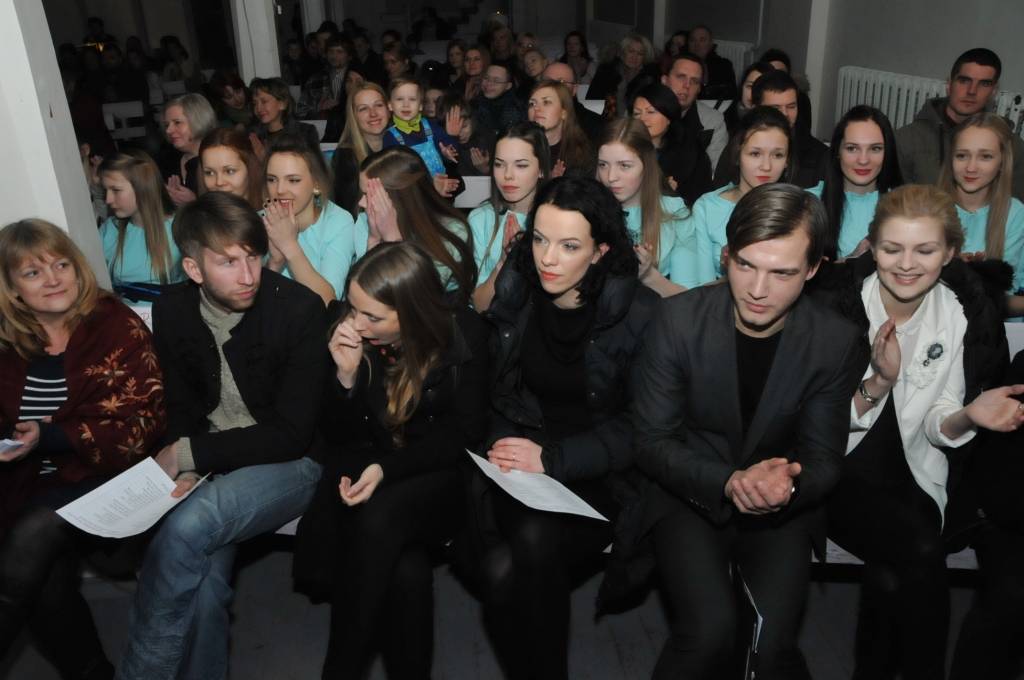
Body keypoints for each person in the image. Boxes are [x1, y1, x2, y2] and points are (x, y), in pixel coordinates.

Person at [611, 182, 862, 680]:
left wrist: (788, 484)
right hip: (689, 492)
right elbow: (652, 441)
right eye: (745, 264)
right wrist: (729, 482)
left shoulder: (835, 340)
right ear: (726, 255)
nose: (758, 289)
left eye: (782, 272)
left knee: (770, 648)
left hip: (781, 503)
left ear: (813, 269)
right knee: (708, 634)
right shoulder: (677, 320)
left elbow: (824, 456)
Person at [116, 191, 327, 680]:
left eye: (253, 256)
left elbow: (292, 435)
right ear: (193, 269)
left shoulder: (297, 309)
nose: (249, 275)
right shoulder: (173, 309)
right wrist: (189, 464)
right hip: (215, 461)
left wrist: (188, 453)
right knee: (204, 584)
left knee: (190, 525)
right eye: (228, 262)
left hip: (293, 463)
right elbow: (182, 404)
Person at [814, 184, 1018, 680]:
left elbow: (938, 421)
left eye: (925, 250)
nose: (906, 265)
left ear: (949, 253)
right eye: (892, 249)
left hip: (917, 472)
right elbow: (814, 423)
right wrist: (879, 382)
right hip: (835, 470)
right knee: (920, 551)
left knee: (891, 575)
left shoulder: (958, 312)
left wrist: (970, 415)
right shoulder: (835, 307)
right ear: (871, 247)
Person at [465, 176, 658, 680]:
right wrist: (504, 443)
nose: (548, 258)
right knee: (505, 566)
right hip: (525, 467)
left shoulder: (639, 315)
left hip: (604, 476)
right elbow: (499, 391)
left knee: (512, 563)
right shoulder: (518, 293)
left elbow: (644, 429)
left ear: (600, 252)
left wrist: (551, 460)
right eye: (540, 239)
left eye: (569, 246)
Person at [294, 242, 489, 679]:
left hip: (441, 478)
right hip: (372, 470)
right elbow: (338, 438)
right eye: (353, 308)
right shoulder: (353, 335)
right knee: (406, 571)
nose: (356, 323)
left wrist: (387, 469)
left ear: (411, 313)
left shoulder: (464, 333)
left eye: (372, 317)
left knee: (380, 516)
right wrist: (345, 379)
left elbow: (463, 436)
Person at [0, 219, 164, 680]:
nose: (53, 279)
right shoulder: (7, 343)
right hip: (26, 481)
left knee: (33, 532)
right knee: (43, 576)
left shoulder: (114, 326)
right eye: (33, 273)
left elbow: (141, 427)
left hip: (112, 477)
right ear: (13, 290)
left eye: (61, 265)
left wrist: (49, 436)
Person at [897, 48, 1024, 201]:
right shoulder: (906, 139)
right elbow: (894, 203)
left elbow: (1015, 205)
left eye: (984, 84)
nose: (972, 91)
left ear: (993, 91)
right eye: (964, 81)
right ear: (949, 84)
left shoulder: (1012, 146)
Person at [356, 146, 476, 301]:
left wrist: (392, 239)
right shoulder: (365, 222)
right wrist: (373, 240)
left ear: (397, 197)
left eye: (368, 195)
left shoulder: (452, 231)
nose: (361, 203)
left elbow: (417, 301)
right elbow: (361, 295)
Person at [693, 106, 792, 285]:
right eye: (755, 154)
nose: (766, 166)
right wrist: (731, 270)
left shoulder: (798, 211)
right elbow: (701, 289)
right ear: (738, 154)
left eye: (777, 155)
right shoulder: (707, 208)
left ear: (787, 161)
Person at [597, 117, 697, 294]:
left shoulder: (674, 212)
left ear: (647, 165)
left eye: (624, 166)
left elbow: (689, 297)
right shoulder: (586, 210)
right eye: (603, 165)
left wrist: (649, 275)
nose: (611, 177)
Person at [938, 112, 1024, 314]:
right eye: (962, 155)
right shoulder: (928, 207)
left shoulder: (1015, 214)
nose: (971, 167)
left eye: (985, 156)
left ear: (1002, 162)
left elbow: (1006, 296)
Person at [264, 135, 357, 304]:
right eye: (272, 179)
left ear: (316, 182)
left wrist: (289, 246)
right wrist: (274, 264)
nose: (280, 190)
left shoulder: (338, 222)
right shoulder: (259, 220)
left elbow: (329, 302)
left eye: (293, 180)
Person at [468, 122, 549, 311]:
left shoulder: (559, 219)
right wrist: (505, 261)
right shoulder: (481, 219)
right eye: (499, 164)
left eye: (521, 165)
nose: (508, 175)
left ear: (541, 169)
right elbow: (480, 305)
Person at [813, 105, 903, 260]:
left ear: (887, 153)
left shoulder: (905, 206)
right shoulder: (806, 203)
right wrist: (852, 261)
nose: (863, 160)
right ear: (838, 152)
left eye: (875, 149)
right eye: (852, 148)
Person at [98, 151, 183, 294]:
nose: (108, 199)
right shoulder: (109, 230)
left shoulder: (181, 227)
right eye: (105, 190)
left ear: (143, 187)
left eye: (116, 190)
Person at [631, 81, 712, 207]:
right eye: (637, 113)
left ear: (669, 116)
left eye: (651, 112)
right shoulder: (624, 148)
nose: (642, 119)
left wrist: (670, 195)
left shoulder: (691, 152)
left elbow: (700, 200)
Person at [381, 78, 461, 197]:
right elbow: (394, 174)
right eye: (400, 99)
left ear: (421, 106)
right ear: (390, 105)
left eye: (412, 99)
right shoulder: (390, 137)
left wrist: (447, 152)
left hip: (442, 190)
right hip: (414, 195)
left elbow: (451, 148)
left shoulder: (431, 126)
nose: (406, 104)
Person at [748, 70, 827, 188]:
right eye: (776, 108)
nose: (785, 114)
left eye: (791, 107)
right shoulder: (741, 146)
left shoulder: (819, 156)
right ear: (756, 109)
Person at [661, 53, 730, 171]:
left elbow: (715, 171)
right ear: (665, 80)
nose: (687, 85)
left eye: (694, 81)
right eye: (681, 77)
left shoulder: (713, 121)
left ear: (699, 89)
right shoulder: (644, 111)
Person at [332, 83, 388, 217]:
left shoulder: (401, 145)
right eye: (363, 109)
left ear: (389, 108)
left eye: (378, 105)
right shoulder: (345, 157)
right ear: (354, 116)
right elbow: (347, 211)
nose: (373, 113)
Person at [527, 80, 594, 178]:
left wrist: (557, 183)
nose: (536, 108)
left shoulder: (580, 154)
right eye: (532, 104)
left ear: (564, 113)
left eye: (546, 102)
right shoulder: (519, 147)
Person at [161, 93, 217, 206]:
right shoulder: (167, 161)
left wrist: (195, 203)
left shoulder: (218, 161)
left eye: (177, 122)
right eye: (167, 125)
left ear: (199, 121)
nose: (168, 130)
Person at [249, 77, 322, 154]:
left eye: (264, 101)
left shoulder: (305, 132)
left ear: (282, 104)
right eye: (255, 103)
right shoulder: (254, 136)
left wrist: (265, 157)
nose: (258, 108)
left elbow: (313, 160)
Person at [587, 33, 660, 109]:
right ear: (622, 52)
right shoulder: (606, 72)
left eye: (640, 54)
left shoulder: (649, 78)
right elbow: (591, 102)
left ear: (645, 57)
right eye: (631, 51)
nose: (634, 57)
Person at [199, 127, 264, 208]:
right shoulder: (198, 214)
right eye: (210, 173)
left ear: (250, 169)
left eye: (229, 171)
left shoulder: (272, 214)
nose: (219, 182)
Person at [541, 61, 603, 145]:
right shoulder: (531, 120)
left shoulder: (594, 125)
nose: (552, 86)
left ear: (574, 89)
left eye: (561, 82)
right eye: (547, 81)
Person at [296, 35, 353, 124]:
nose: (334, 55)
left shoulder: (357, 79)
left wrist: (341, 106)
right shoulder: (315, 79)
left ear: (349, 56)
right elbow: (300, 112)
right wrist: (318, 108)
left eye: (339, 52)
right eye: (331, 51)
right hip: (323, 128)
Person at [473, 63, 527, 138]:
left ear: (508, 86)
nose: (489, 83)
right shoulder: (475, 103)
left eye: (496, 81)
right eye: (486, 78)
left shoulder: (515, 110)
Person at [687, 24, 737, 100]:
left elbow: (732, 94)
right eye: (692, 40)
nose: (697, 44)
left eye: (702, 40)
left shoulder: (724, 65)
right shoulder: (682, 65)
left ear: (710, 43)